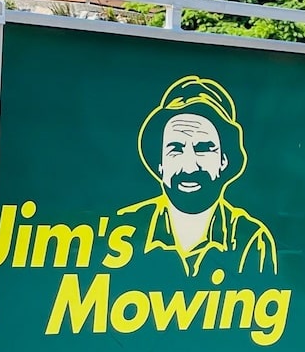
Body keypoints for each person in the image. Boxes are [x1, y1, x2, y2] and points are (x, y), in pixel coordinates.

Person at [117, 75, 277, 276]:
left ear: (224, 161)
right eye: (175, 149)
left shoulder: (249, 239)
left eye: (203, 149)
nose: (189, 167)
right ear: (160, 163)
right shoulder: (125, 229)